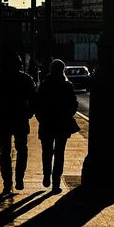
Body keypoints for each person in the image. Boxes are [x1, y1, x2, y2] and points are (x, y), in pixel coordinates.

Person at [0, 50, 36, 194]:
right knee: (21, 150)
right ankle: (17, 179)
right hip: (19, 118)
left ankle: (8, 183)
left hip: (4, 118)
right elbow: (34, 99)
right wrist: (30, 112)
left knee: (6, 152)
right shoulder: (26, 79)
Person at [35, 58, 80, 194]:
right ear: (62, 70)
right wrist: (67, 116)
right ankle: (56, 182)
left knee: (46, 152)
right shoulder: (67, 85)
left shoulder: (44, 85)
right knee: (59, 154)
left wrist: (41, 119)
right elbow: (74, 104)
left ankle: (46, 176)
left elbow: (38, 105)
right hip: (62, 124)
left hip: (47, 123)